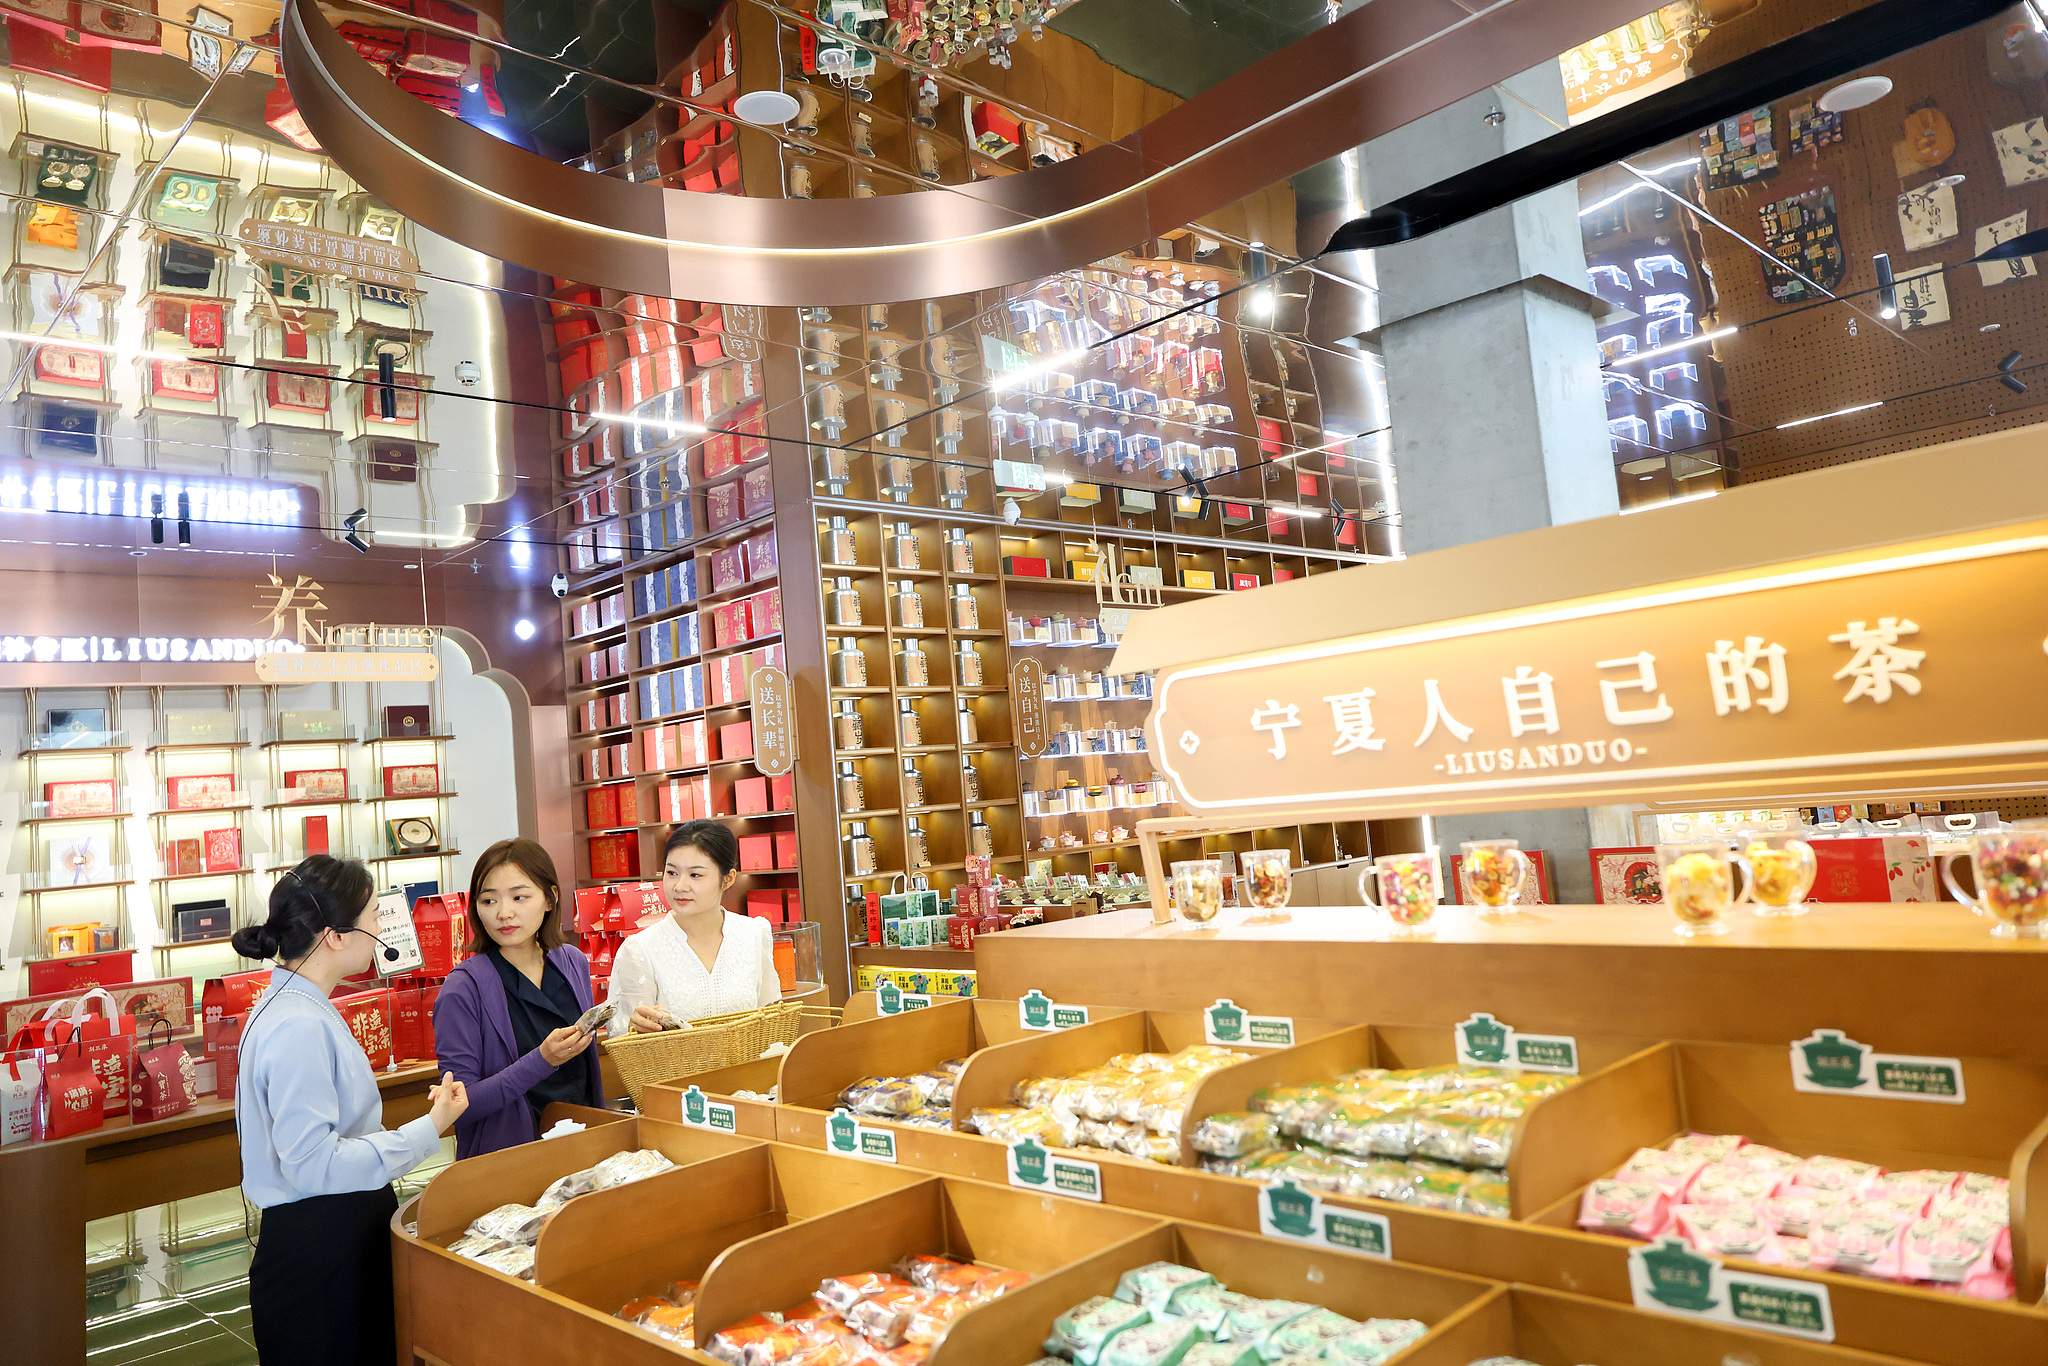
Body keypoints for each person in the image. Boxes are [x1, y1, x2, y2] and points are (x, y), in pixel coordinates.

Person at [230, 855, 469, 1366]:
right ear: (335, 935)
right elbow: (315, 1164)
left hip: (331, 1236)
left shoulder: (297, 1005)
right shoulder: (299, 1024)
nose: (383, 927)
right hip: (324, 1245)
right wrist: (429, 1129)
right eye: (375, 916)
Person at [433, 838, 603, 1157]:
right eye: (489, 901)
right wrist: (542, 1060)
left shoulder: (572, 961)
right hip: (509, 1161)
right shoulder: (463, 988)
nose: (504, 913)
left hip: (581, 1146)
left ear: (550, 899)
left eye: (519, 897)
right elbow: (459, 1106)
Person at [610, 821, 781, 1035]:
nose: (680, 886)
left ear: (728, 879)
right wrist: (633, 1027)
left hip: (747, 1066)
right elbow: (619, 1035)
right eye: (672, 873)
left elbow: (773, 1017)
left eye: (695, 875)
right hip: (675, 1068)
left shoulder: (754, 933)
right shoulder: (639, 950)